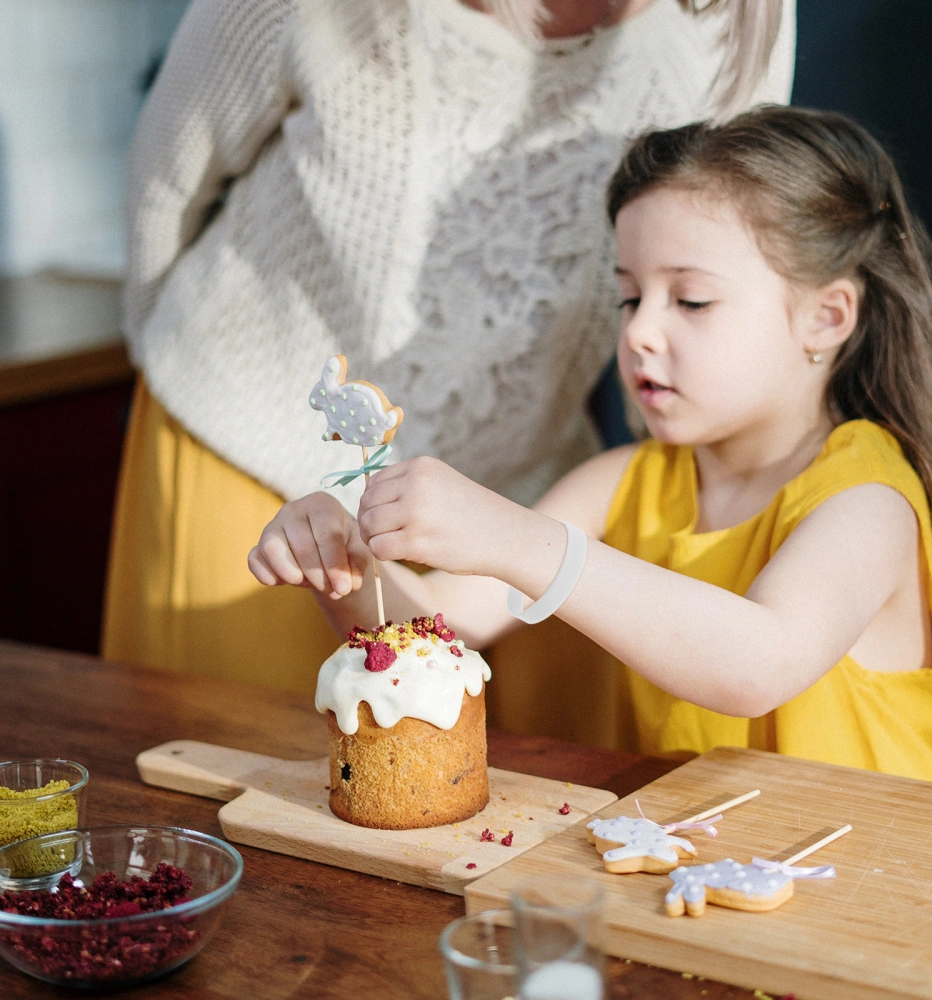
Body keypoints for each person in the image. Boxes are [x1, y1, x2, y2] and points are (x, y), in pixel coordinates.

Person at [249, 106, 932, 785]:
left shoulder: (869, 502)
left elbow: (757, 664)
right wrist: (347, 562)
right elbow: (439, 628)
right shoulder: (623, 480)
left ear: (827, 318)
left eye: (691, 300)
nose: (639, 331)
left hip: (882, 898)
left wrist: (520, 538)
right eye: (630, 296)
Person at [102, 0, 794, 694]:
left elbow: (726, 259)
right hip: (256, 468)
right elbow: (166, 183)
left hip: (528, 505)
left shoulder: (739, 19)